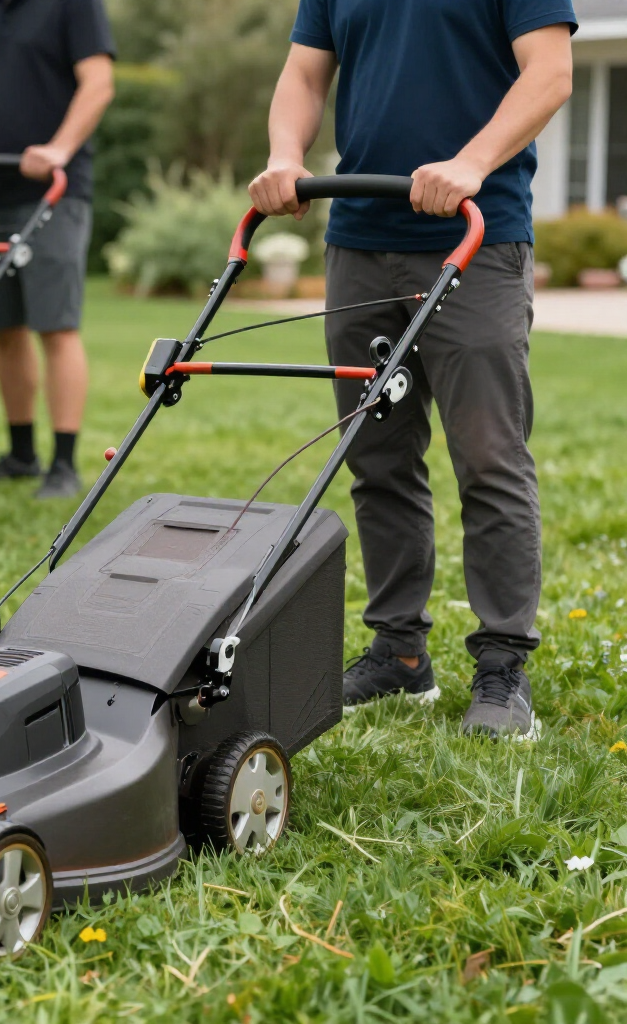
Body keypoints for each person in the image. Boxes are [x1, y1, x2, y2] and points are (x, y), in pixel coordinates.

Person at [248, 0, 577, 738]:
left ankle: (503, 665)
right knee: (377, 455)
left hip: (475, 237)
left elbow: (550, 72)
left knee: (489, 456)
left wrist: (472, 162)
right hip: (359, 237)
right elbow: (305, 73)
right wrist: (285, 154)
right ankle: (399, 653)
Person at [0, 0, 116, 499]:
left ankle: (63, 463)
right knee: (3, 329)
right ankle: (20, 455)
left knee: (56, 325)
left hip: (54, 191)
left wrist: (59, 148)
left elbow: (99, 83)